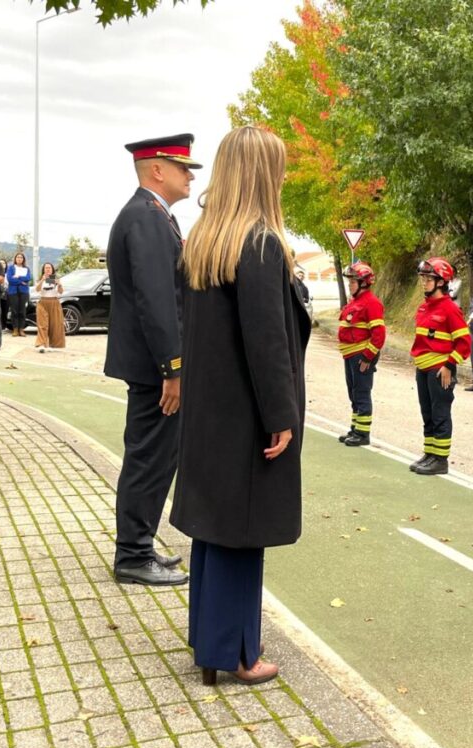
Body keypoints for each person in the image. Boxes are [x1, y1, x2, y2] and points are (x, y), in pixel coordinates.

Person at [170, 125, 310, 686]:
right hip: (248, 414)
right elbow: (267, 340)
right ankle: (234, 654)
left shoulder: (205, 240)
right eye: (276, 167)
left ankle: (211, 642)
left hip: (211, 412)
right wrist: (281, 415)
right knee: (242, 533)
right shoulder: (259, 243)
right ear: (261, 174)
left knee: (214, 527)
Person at [105, 133, 200, 586]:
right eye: (183, 167)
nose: (190, 175)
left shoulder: (153, 216)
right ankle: (132, 555)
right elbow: (158, 300)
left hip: (151, 364)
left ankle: (140, 545)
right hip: (154, 369)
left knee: (155, 457)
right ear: (157, 170)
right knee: (149, 458)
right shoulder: (145, 218)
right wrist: (173, 368)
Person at [409, 257, 471, 476]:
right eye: (423, 278)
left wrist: (449, 365)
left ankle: (440, 460)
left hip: (440, 370)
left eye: (429, 278)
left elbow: (464, 343)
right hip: (423, 369)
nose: (424, 282)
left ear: (441, 282)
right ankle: (429, 454)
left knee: (440, 413)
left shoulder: (450, 309)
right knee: (427, 413)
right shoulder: (424, 308)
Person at [336, 261, 386, 446]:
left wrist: (367, 357)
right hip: (350, 356)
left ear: (363, 283)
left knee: (361, 393)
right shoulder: (355, 302)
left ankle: (363, 434)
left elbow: (379, 335)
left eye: (352, 282)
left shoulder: (371, 303)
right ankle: (355, 428)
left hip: (360, 356)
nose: (349, 285)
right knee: (353, 393)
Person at [33, 263, 65, 352]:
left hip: (54, 301)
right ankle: (41, 344)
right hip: (43, 302)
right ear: (43, 269)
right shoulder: (41, 279)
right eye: (46, 268)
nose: (48, 269)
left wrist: (59, 285)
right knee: (42, 324)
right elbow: (37, 290)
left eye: (49, 268)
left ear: (52, 270)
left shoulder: (54, 279)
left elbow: (61, 292)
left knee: (55, 324)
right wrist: (42, 280)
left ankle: (53, 344)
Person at [7, 252, 32, 336]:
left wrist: (18, 277)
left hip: (24, 292)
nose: (19, 259)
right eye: (18, 257)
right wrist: (22, 281)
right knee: (14, 311)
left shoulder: (27, 269)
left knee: (22, 311)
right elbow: (10, 279)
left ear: (23, 259)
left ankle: (21, 329)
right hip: (13, 292)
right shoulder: (11, 268)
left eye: (21, 257)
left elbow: (28, 278)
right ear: (15, 258)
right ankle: (15, 329)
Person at [0, 259, 11, 331]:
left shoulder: (8, 274)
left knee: (5, 310)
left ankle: (4, 326)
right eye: (0, 263)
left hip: (7, 294)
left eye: (4, 263)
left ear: (6, 265)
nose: (2, 264)